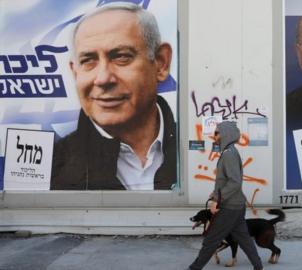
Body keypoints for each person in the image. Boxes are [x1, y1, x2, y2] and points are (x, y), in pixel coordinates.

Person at [50, 3, 177, 190]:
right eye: (88, 61)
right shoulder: (56, 166)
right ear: (75, 72)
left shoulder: (197, 153)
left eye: (121, 57)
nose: (103, 78)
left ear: (161, 63)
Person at [188, 121, 263, 270]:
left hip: (229, 207)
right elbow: (228, 181)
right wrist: (216, 192)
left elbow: (235, 182)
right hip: (236, 205)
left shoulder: (229, 154)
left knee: (211, 239)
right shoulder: (230, 152)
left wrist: (217, 199)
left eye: (216, 133)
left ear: (226, 135)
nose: (214, 136)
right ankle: (258, 266)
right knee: (244, 239)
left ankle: (194, 268)